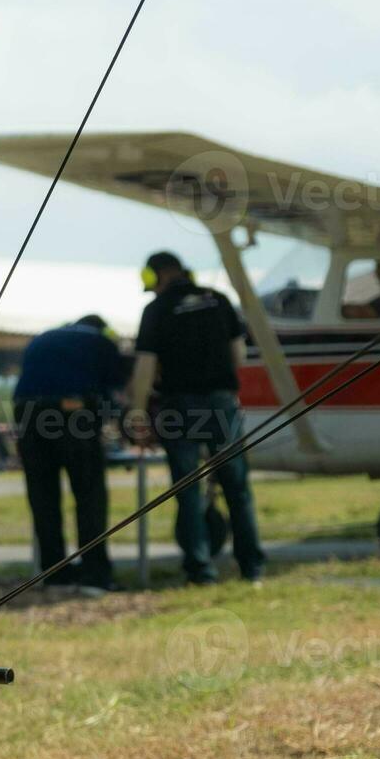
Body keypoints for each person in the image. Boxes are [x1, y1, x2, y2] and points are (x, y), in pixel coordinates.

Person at [126, 251, 265, 585]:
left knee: (188, 489)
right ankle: (252, 568)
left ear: (156, 276)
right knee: (237, 487)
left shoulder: (156, 309)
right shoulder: (218, 300)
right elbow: (239, 356)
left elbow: (145, 366)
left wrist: (136, 411)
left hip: (180, 406)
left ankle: (200, 571)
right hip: (221, 402)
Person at [13, 314, 128, 593]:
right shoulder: (101, 341)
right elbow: (117, 389)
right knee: (89, 495)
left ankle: (55, 573)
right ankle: (95, 574)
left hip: (27, 413)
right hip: (71, 411)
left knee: (43, 498)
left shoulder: (43, 337)